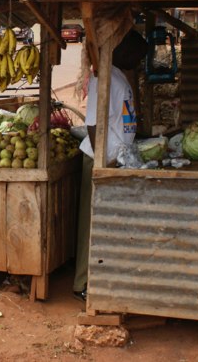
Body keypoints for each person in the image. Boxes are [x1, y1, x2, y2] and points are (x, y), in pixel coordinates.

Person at [73, 29, 147, 301]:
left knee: (105, 223)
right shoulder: (102, 78)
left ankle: (99, 279)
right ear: (123, 50)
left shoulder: (120, 76)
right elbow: (92, 124)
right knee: (91, 224)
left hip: (115, 159)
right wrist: (102, 162)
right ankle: (83, 282)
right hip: (98, 159)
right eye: (138, 55)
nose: (139, 62)